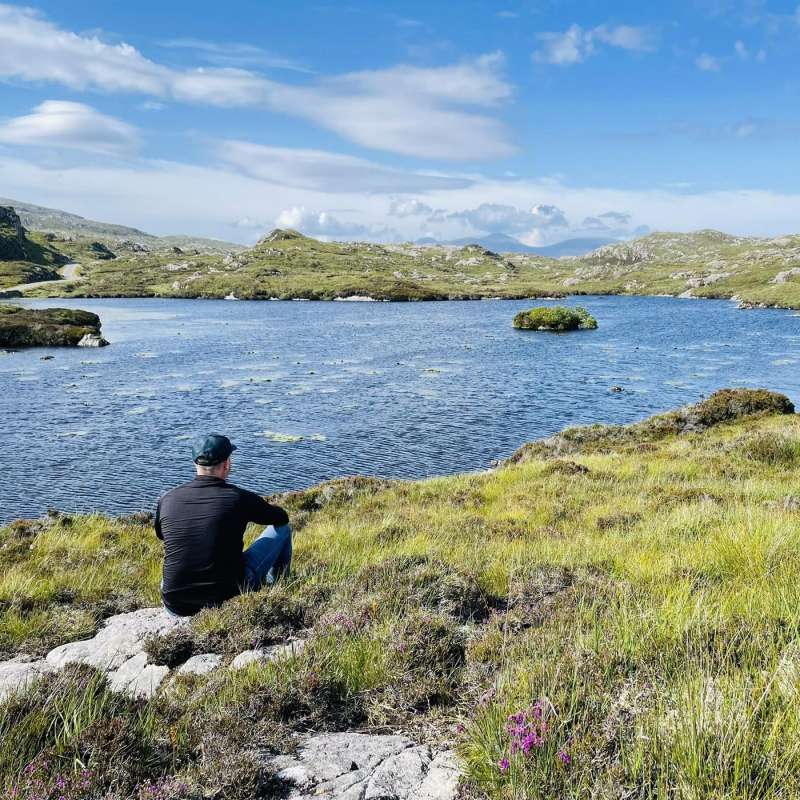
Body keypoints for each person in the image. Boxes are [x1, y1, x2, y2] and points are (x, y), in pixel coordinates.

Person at [155, 433, 291, 617]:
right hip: (227, 598)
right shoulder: (238, 498)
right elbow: (281, 518)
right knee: (283, 531)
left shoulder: (167, 498)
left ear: (195, 463)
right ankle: (278, 586)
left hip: (175, 604)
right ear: (227, 464)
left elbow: (162, 535)